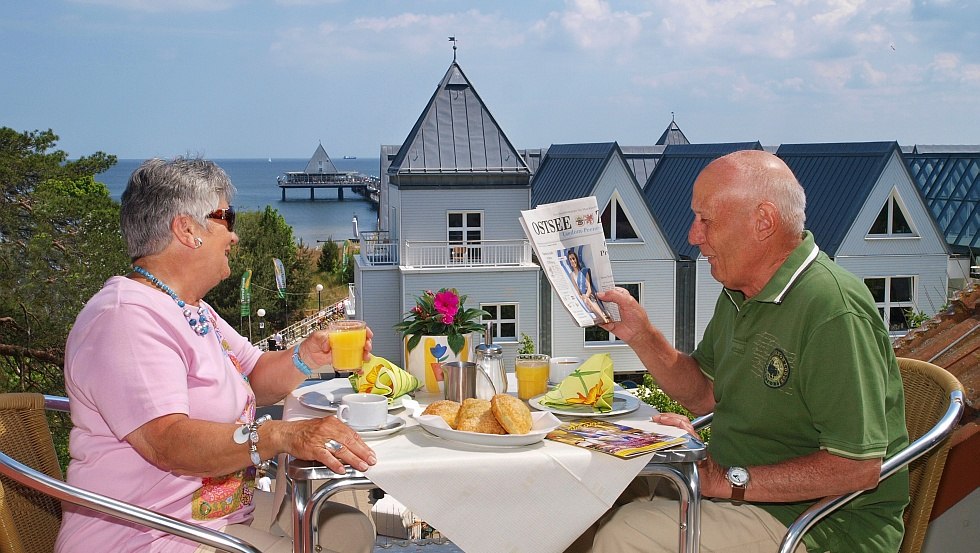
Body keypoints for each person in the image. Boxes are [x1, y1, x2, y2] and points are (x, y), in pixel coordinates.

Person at [569, 150, 909, 553]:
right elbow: (705, 394)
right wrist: (641, 335)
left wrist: (722, 478)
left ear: (763, 221)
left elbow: (857, 467)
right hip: (743, 494)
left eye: (705, 220)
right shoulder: (740, 291)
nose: (693, 236)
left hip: (821, 524)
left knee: (625, 533)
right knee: (587, 493)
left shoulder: (833, 310)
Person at [57, 157, 378, 553]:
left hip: (214, 512)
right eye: (227, 217)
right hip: (149, 532)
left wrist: (309, 356)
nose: (235, 235)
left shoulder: (192, 309)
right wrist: (278, 435)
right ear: (187, 229)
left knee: (352, 531)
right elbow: (168, 442)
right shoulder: (125, 318)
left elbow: (254, 375)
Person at [565, 249, 612, 324]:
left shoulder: (584, 271)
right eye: (570, 259)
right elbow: (577, 290)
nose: (572, 261)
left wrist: (586, 295)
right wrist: (581, 296)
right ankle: (602, 316)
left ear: (576, 259)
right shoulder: (572, 275)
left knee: (588, 300)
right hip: (582, 299)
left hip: (589, 296)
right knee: (586, 300)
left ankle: (603, 317)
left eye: (573, 258)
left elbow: (589, 288)